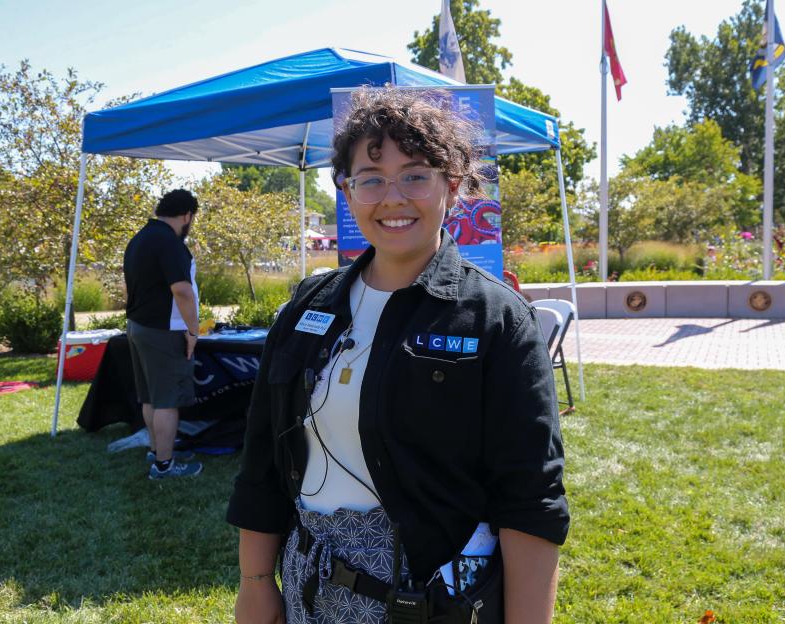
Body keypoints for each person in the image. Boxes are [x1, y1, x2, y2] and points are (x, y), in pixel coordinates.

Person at [227, 87, 568, 623]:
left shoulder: (495, 320)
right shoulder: (308, 305)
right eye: (371, 178)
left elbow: (530, 499)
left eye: (415, 174)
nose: (392, 197)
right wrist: (254, 582)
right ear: (346, 189)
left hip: (430, 601)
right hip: (309, 593)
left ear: (451, 187)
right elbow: (263, 459)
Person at [123, 189, 204, 480]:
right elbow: (181, 290)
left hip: (138, 326)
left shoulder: (140, 238)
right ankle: (164, 465)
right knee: (167, 400)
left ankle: (158, 450)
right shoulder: (170, 243)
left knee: (151, 397)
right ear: (187, 215)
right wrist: (193, 331)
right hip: (163, 330)